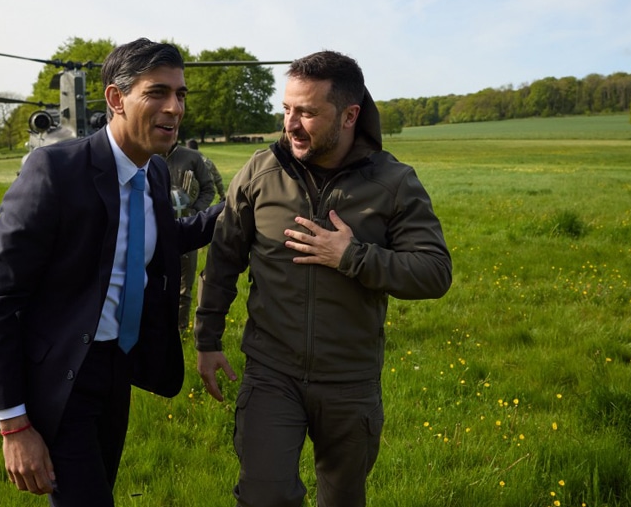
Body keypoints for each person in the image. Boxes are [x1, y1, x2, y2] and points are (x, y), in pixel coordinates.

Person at [194, 50, 452, 507]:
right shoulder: (259, 172)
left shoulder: (393, 182)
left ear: (350, 114)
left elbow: (434, 272)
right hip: (271, 372)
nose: (291, 124)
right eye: (287, 109)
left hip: (350, 380)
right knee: (264, 496)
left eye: (308, 112)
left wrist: (350, 256)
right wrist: (207, 339)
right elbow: (223, 257)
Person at [0, 38, 223, 506]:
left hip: (118, 371)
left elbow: (165, 238)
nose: (175, 107)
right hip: (63, 377)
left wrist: (242, 203)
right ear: (115, 99)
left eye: (181, 94)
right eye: (157, 93)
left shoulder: (153, 173)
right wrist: (14, 424)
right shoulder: (55, 170)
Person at [159, 141, 215, 332]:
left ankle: (180, 329)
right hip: (157, 229)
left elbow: (208, 188)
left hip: (187, 228)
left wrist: (196, 211)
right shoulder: (149, 155)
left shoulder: (192, 157)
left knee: (184, 283)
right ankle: (158, 327)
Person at [188, 139, 226, 203]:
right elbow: (218, 179)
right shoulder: (207, 161)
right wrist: (222, 195)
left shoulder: (186, 162)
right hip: (205, 196)